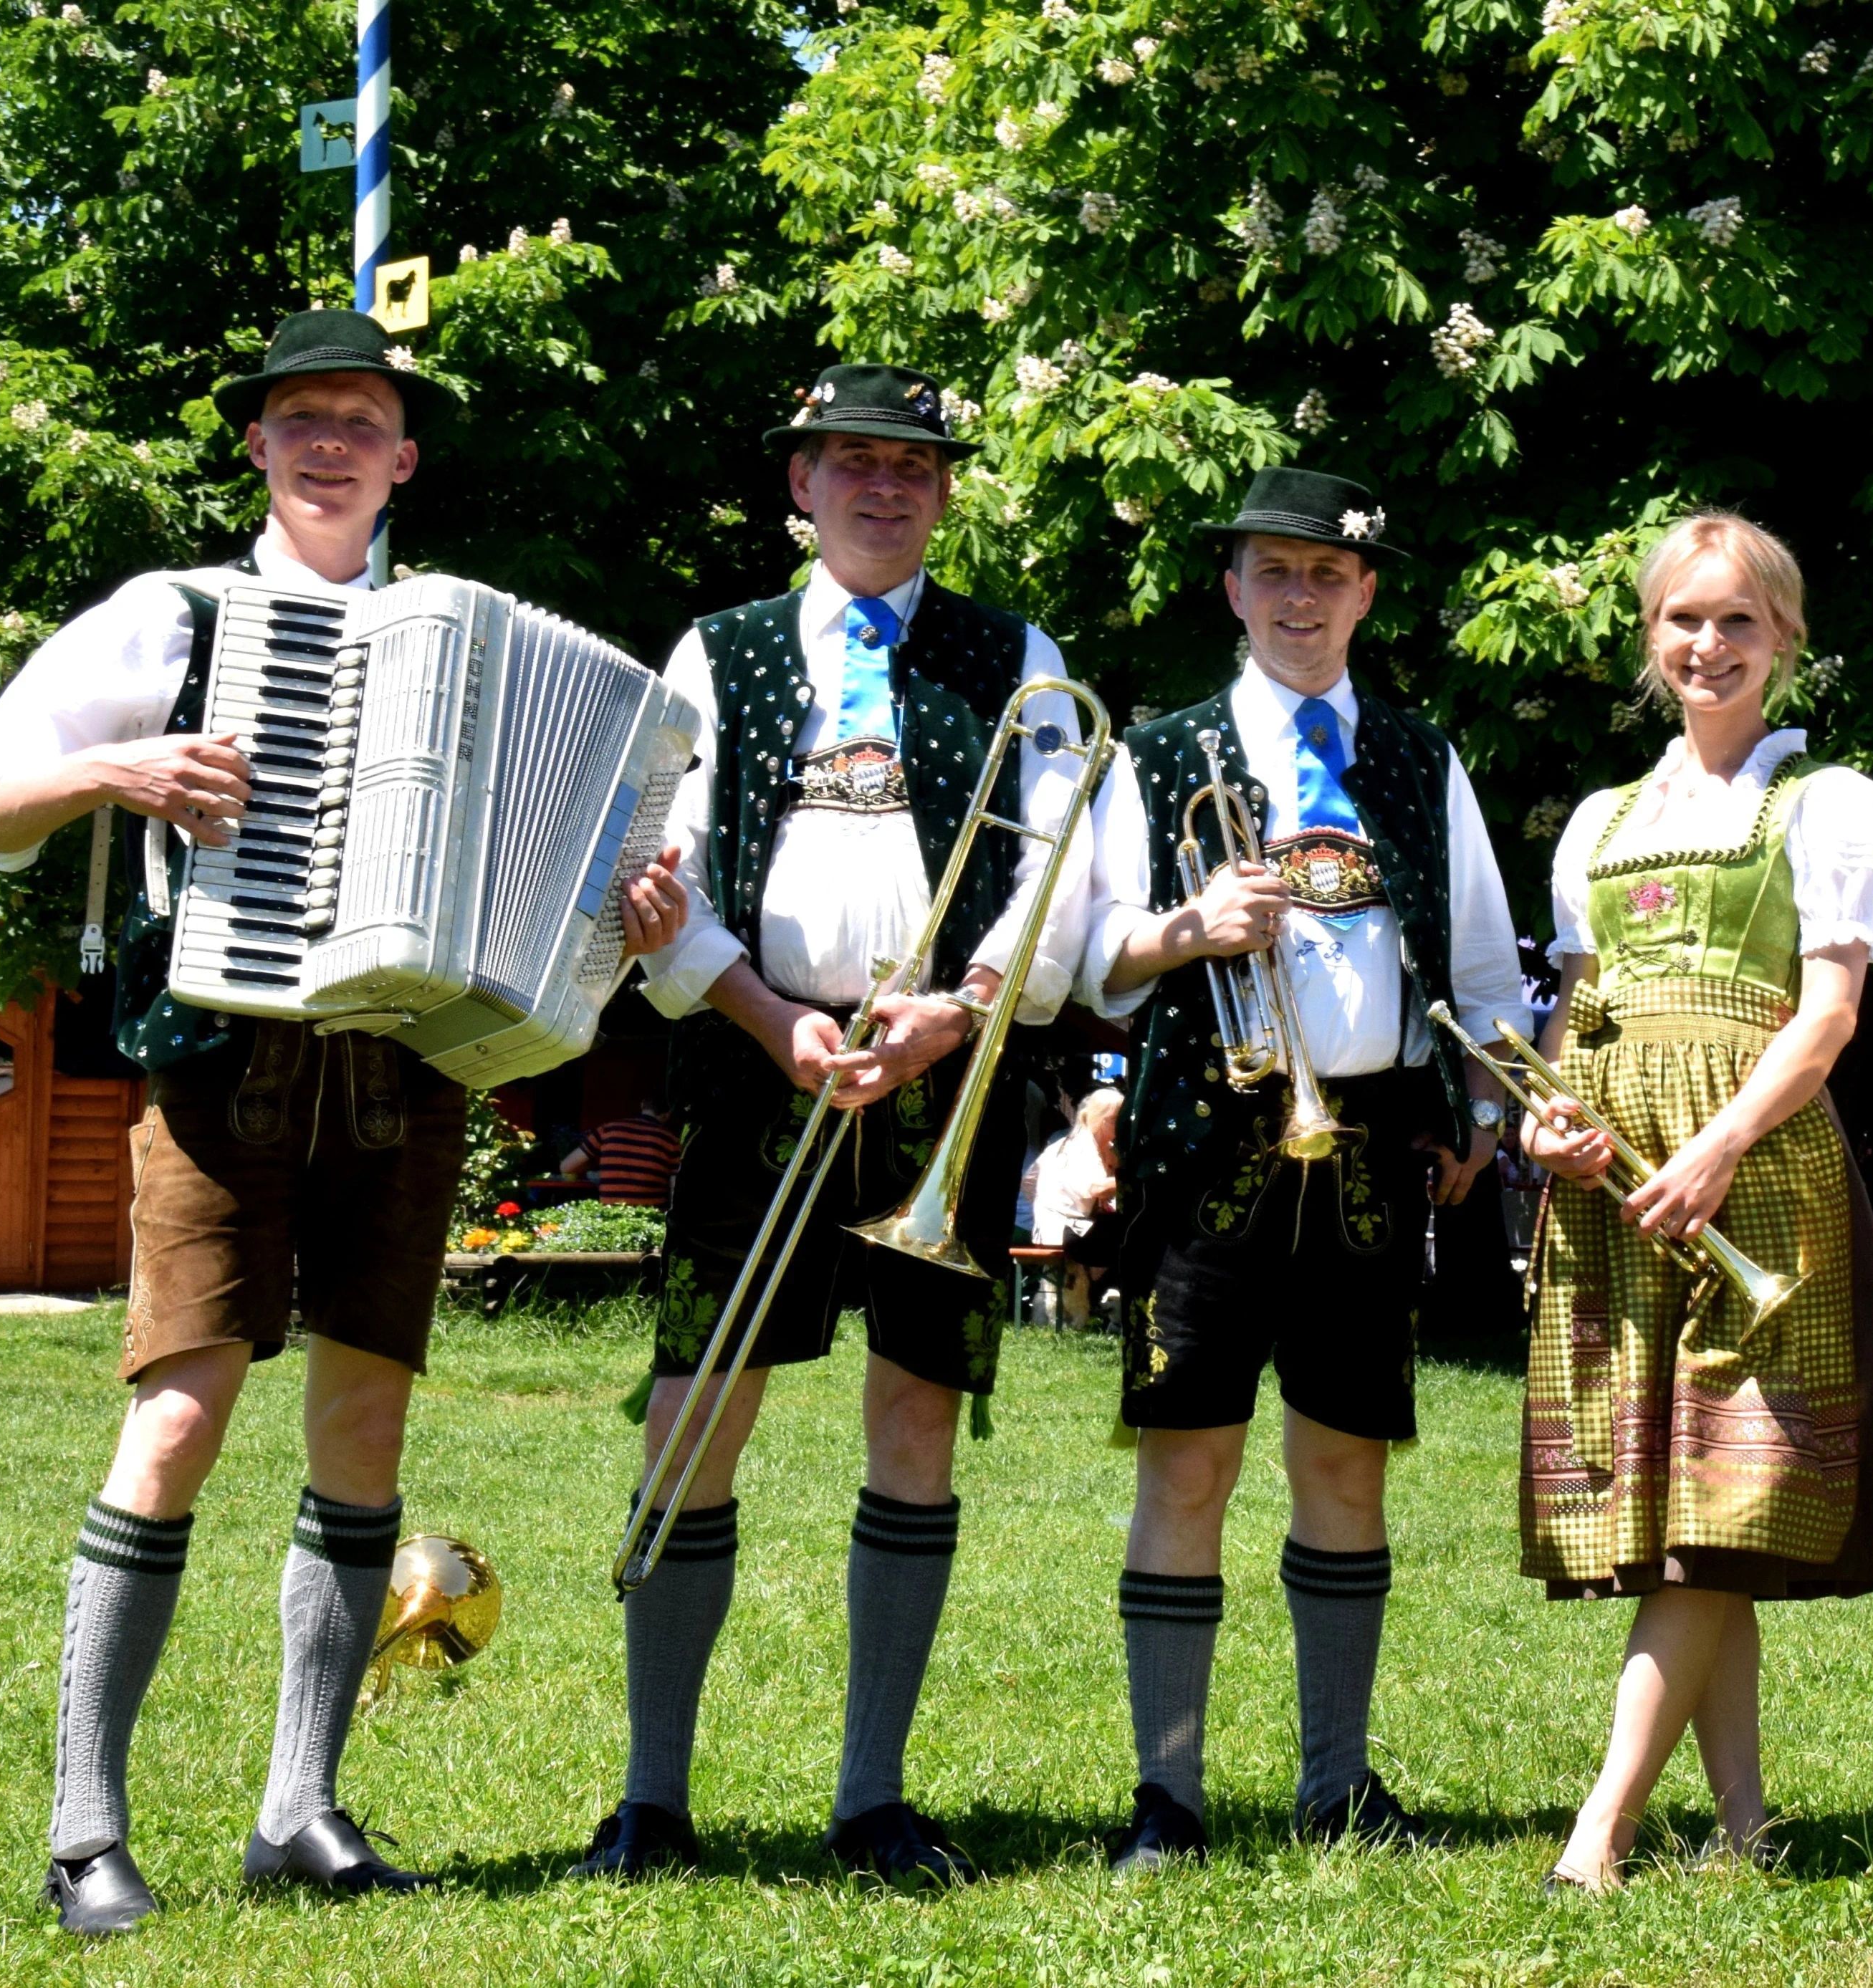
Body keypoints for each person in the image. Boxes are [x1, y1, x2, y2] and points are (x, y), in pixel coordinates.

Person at [0, 309, 688, 1938]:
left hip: (405, 1079)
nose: (329, 442)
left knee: (364, 1436)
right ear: (259, 445)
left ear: (403, 457)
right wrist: (125, 771)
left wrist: (627, 915)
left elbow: (559, 902)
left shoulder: (467, 647)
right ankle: (83, 1833)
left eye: (360, 420)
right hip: (226, 1066)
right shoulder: (175, 616)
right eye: (301, 417)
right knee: (180, 1416)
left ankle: (298, 1810)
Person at [570, 364, 1088, 1886]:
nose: (882, 486)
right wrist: (756, 1012)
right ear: (800, 485)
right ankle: (650, 1800)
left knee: (916, 1416)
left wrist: (960, 1011)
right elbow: (657, 869)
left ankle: (871, 1798)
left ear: (944, 491)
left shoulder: (1017, 655)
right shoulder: (717, 650)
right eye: (851, 461)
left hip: (948, 1074)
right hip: (758, 1062)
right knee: (693, 1411)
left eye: (912, 466)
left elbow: (1062, 870)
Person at [1078, 466, 1530, 1869]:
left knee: (1344, 1462)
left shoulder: (1418, 755)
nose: (1298, 597)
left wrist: (1485, 1105)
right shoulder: (1160, 754)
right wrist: (1187, 927)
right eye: (1272, 570)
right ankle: (1167, 1796)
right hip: (1205, 1144)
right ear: (1231, 587)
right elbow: (1085, 961)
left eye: (1326, 573)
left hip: (1370, 1151)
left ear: (1366, 592)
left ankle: (1337, 1785)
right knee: (1187, 1467)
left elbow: (1480, 963)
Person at [1523, 511, 1873, 1891]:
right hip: (1616, 1186)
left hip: (1754, 1173)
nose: (1709, 644)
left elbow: (1829, 1018)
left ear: (1786, 638)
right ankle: (1747, 1825)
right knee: (1691, 1517)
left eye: (1737, 619)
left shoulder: (1828, 803)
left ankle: (1602, 1827)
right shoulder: (1601, 821)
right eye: (1683, 619)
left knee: (1722, 1503)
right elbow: (1576, 1013)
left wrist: (1716, 1149)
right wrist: (1546, 1119)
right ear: (1651, 639)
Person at [1033, 1087, 1124, 1325]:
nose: (1123, 1125)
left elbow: (1029, 1181)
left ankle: (1109, 1306)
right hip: (1067, 1232)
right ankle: (1117, 1308)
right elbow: (1096, 1188)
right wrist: (1130, 1180)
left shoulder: (1088, 1145)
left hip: (1066, 1228)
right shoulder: (1081, 1148)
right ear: (1104, 1120)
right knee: (1137, 1235)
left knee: (1132, 1232)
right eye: (1119, 1119)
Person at [560, 1098, 684, 1207]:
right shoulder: (671, 1140)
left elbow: (566, 1167)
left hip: (612, 1214)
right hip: (652, 1217)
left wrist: (600, 1166)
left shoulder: (608, 1129)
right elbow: (675, 1187)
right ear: (668, 1114)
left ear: (642, 1105)